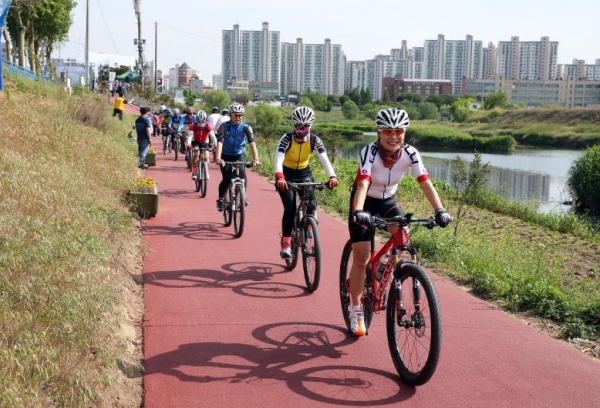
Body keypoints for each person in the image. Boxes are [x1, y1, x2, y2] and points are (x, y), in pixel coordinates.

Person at [347, 107, 453, 336]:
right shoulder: (369, 152)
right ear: (379, 131)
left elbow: (425, 182)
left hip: (388, 202)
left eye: (398, 131)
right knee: (362, 256)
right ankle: (356, 308)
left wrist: (440, 210)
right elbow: (363, 183)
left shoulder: (410, 153)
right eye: (388, 131)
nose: (393, 136)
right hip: (363, 202)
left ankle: (383, 267)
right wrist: (358, 211)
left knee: (403, 237)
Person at [274, 106, 338, 258]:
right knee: (290, 209)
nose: (302, 129)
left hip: (304, 173)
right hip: (287, 175)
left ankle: (310, 225)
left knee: (311, 201)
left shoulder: (314, 140)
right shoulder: (286, 139)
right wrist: (280, 177)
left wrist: (332, 176)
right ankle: (286, 243)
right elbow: (278, 159)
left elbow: (324, 159)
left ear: (311, 125)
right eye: (299, 126)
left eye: (306, 126)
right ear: (294, 125)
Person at [214, 103, 259, 211]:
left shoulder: (246, 128)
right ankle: (220, 199)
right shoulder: (224, 126)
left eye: (240, 115)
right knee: (227, 178)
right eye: (236, 115)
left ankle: (243, 196)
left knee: (243, 175)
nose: (238, 117)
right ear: (230, 115)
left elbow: (252, 143)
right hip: (225, 155)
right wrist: (218, 158)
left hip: (239, 154)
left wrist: (256, 159)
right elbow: (220, 143)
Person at [189, 110, 216, 180]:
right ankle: (194, 172)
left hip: (205, 142)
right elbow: (189, 137)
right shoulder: (193, 125)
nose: (201, 123)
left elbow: (213, 136)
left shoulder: (208, 125)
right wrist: (189, 144)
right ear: (197, 120)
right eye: (199, 122)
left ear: (205, 120)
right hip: (196, 142)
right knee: (196, 154)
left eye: (202, 122)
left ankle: (206, 171)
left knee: (207, 156)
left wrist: (216, 145)